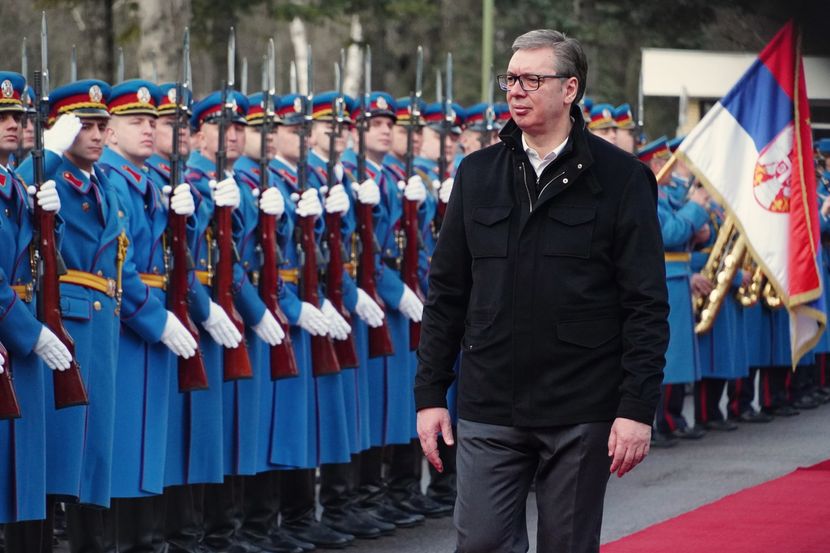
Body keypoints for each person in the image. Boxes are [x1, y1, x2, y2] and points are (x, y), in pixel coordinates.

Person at [414, 29, 669, 553]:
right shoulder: (477, 173)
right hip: (489, 401)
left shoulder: (621, 179)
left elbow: (645, 304)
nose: (516, 90)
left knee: (567, 544)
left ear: (570, 88)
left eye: (532, 79)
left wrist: (636, 407)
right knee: (481, 542)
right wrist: (430, 395)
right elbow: (447, 292)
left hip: (579, 405)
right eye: (510, 79)